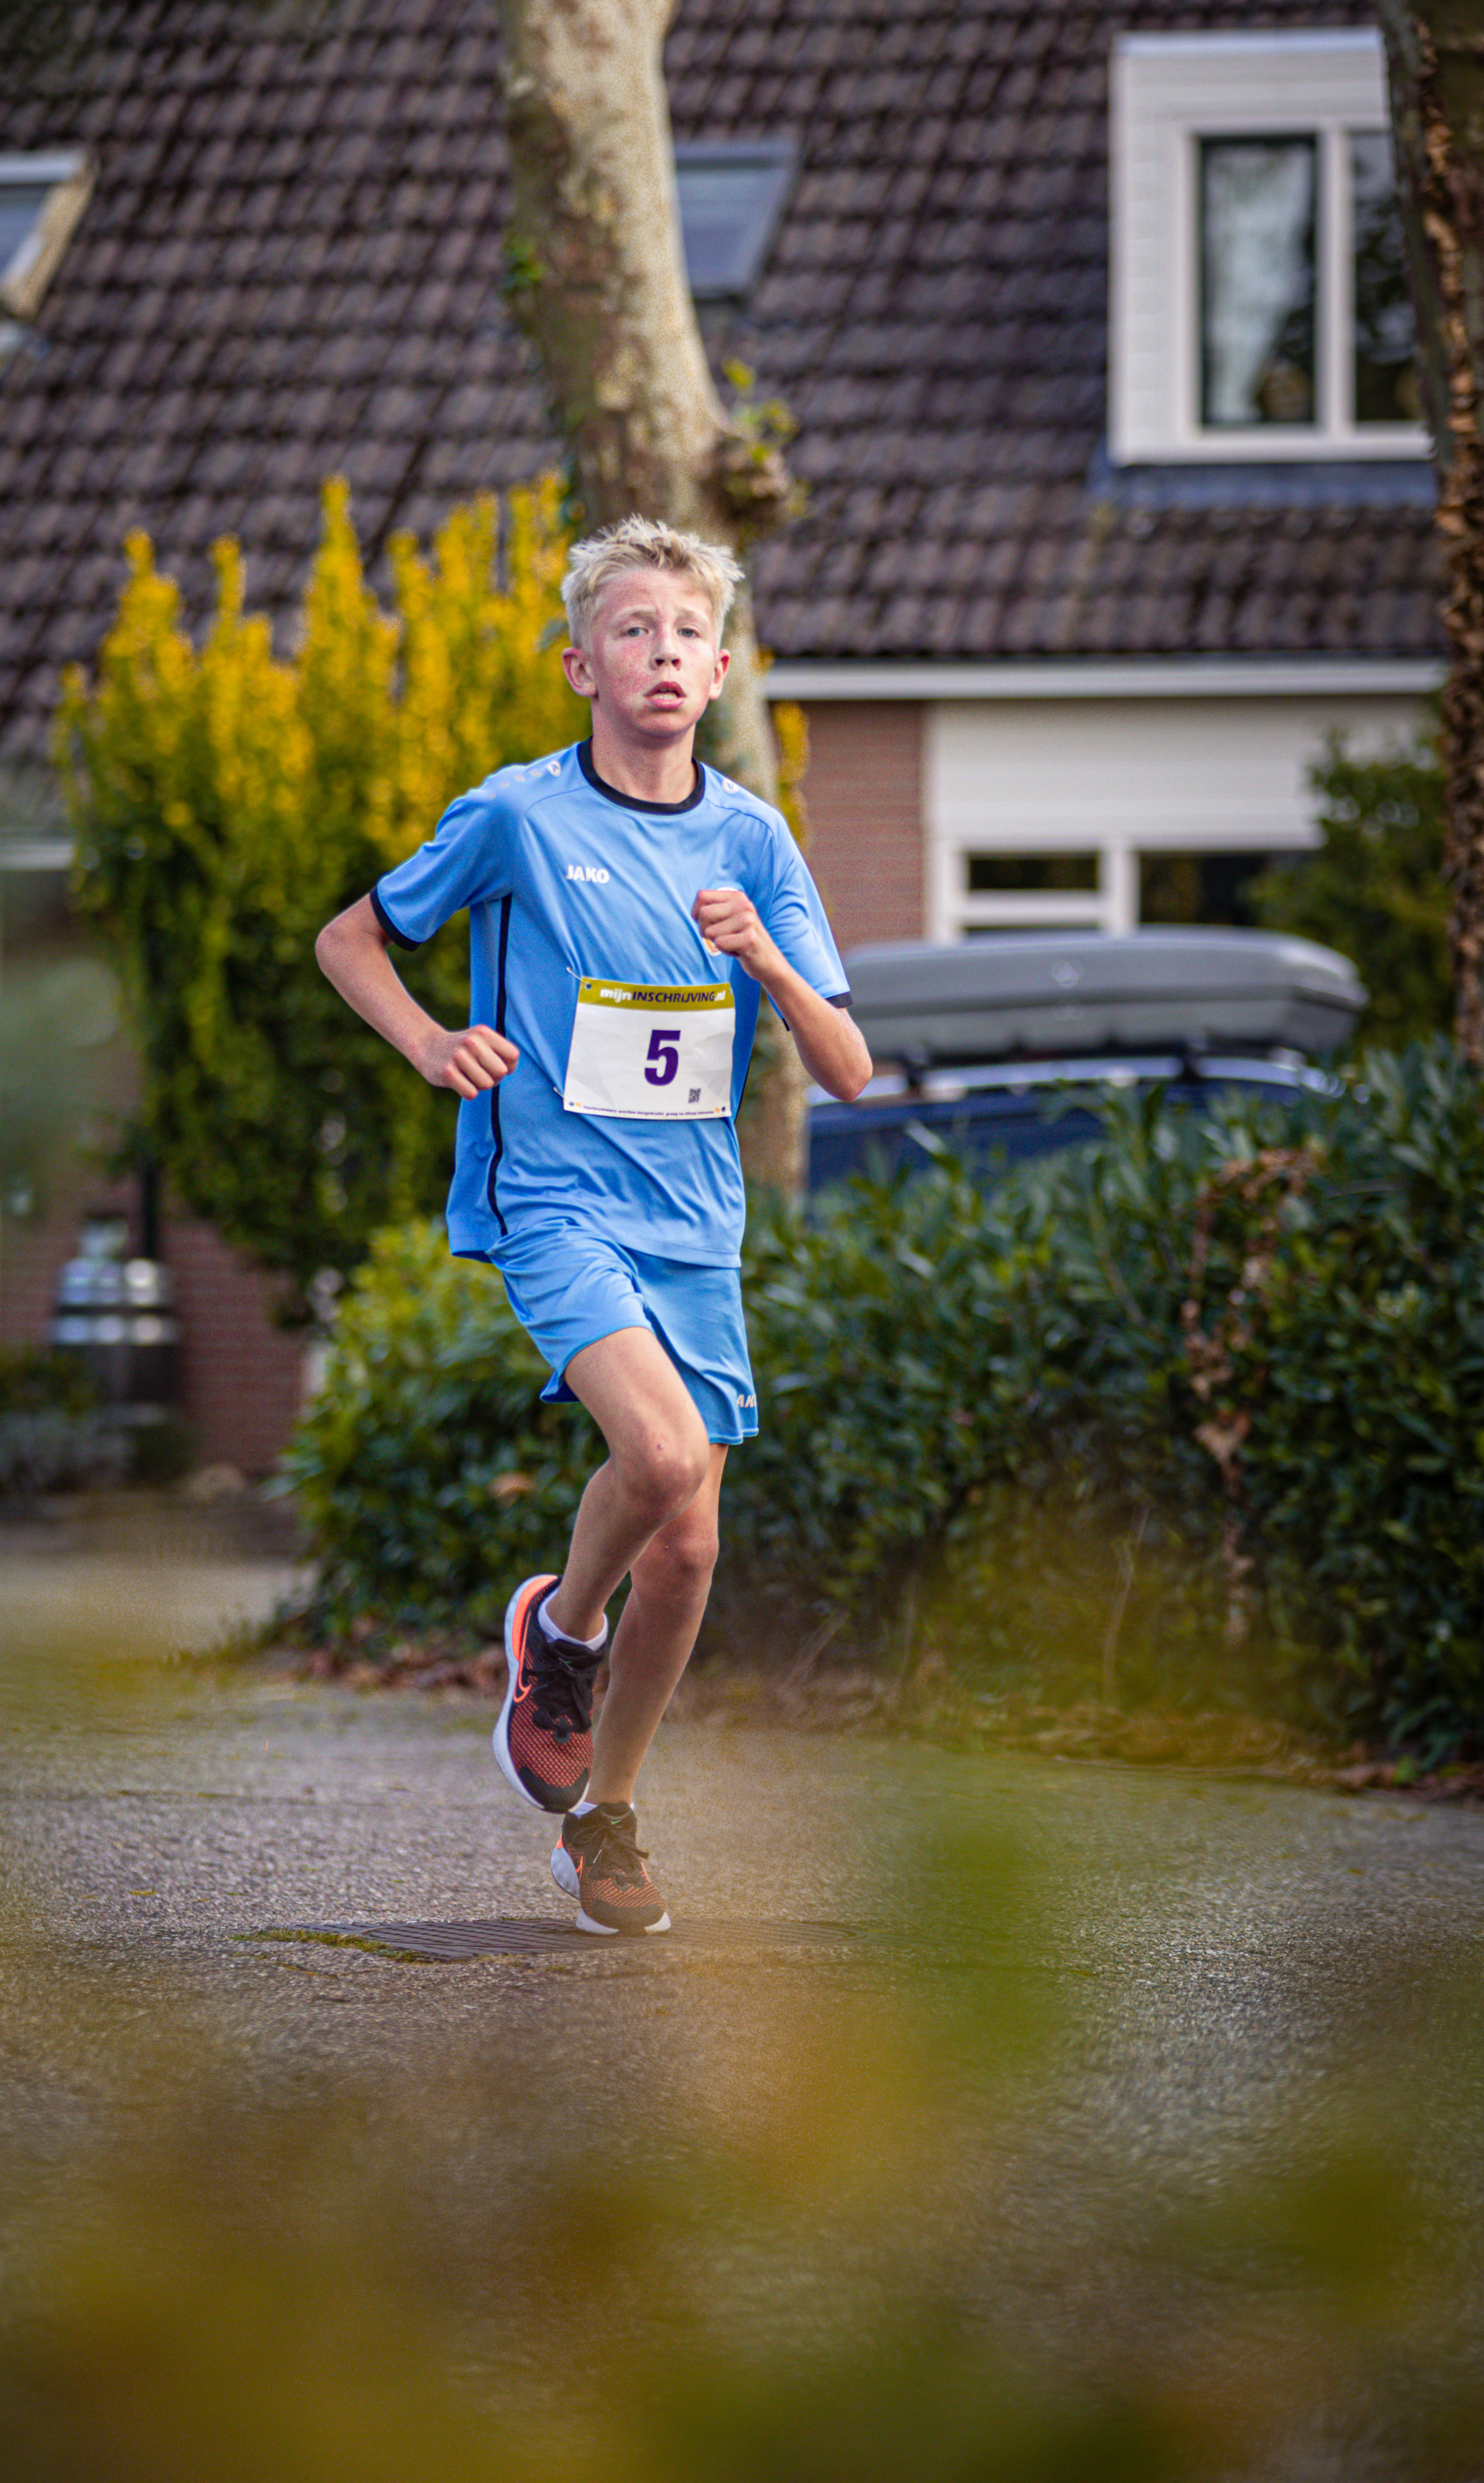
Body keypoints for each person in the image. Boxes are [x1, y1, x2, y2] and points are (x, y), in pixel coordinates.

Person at [316, 516, 871, 1934]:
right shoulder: (518, 814)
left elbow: (851, 1065)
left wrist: (764, 960)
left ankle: (603, 1823)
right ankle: (559, 1631)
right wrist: (434, 1044)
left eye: (687, 634)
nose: (663, 655)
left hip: (694, 1222)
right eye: (634, 631)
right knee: (665, 1453)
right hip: (550, 1196)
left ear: (723, 666)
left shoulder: (753, 834)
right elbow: (350, 940)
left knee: (688, 1547)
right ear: (582, 664)